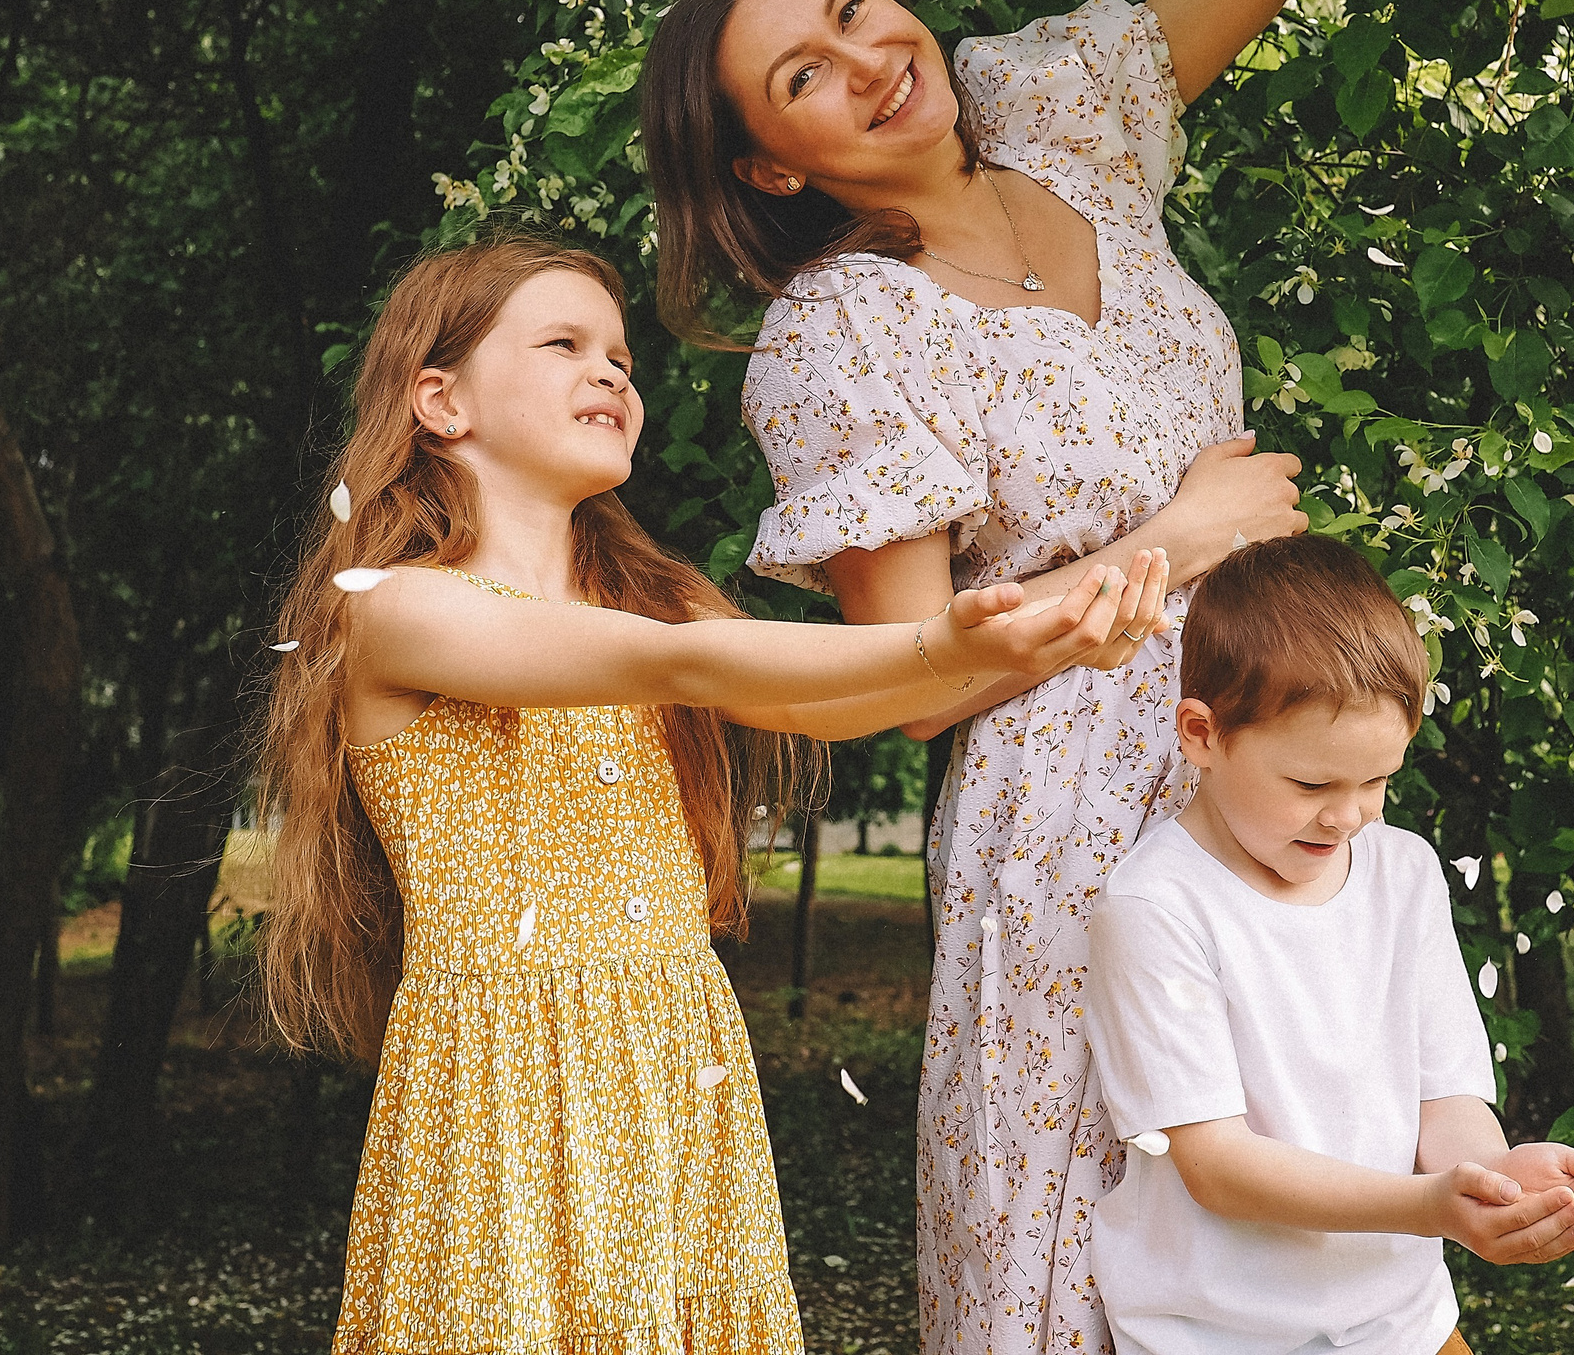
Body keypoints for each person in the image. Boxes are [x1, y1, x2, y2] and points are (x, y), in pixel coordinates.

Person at [639, 0, 1348, 1353]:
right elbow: (908, 686)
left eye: (856, 10)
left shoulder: (1061, 113)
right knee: (1088, 1259)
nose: (872, 64)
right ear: (771, 164)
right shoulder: (844, 335)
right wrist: (1175, 542)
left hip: (1278, 751)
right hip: (1073, 829)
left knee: (1312, 1224)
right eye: (806, 78)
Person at [253, 231, 1170, 1355]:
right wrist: (940, 638)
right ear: (440, 401)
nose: (611, 373)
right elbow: (688, 668)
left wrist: (1051, 636)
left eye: (623, 358)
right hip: (505, 1083)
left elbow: (830, 700)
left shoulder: (654, 600)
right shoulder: (394, 606)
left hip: (673, 1054)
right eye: (564, 343)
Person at [1082, 537, 1574, 1355]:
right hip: (1221, 1335)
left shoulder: (1403, 872)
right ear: (1201, 733)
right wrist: (1431, 1206)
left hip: (1406, 1323)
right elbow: (1217, 1165)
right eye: (1311, 785)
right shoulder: (1157, 905)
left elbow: (1449, 1097)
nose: (1349, 816)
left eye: (1377, 781)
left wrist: (1494, 1181)